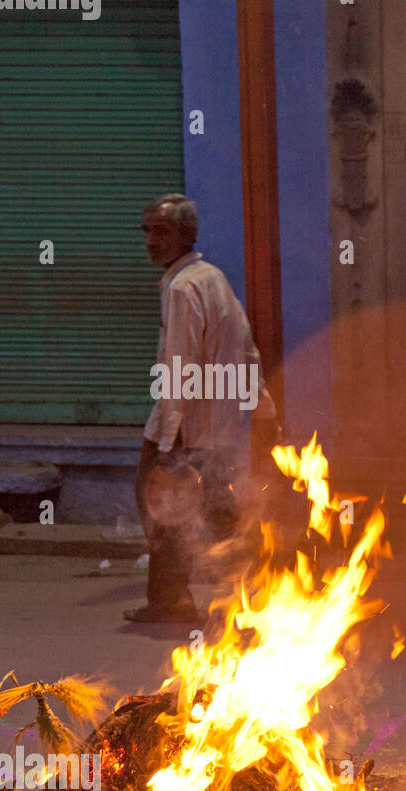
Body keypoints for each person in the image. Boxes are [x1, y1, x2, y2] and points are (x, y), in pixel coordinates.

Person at [126, 193, 277, 625]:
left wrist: (168, 443)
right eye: (148, 231)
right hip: (219, 429)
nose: (152, 240)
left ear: (187, 235)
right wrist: (261, 406)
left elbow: (180, 368)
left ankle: (172, 602)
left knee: (163, 510)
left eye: (162, 231)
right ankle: (258, 591)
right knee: (217, 513)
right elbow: (248, 349)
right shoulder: (212, 277)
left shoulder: (182, 287)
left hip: (187, 431)